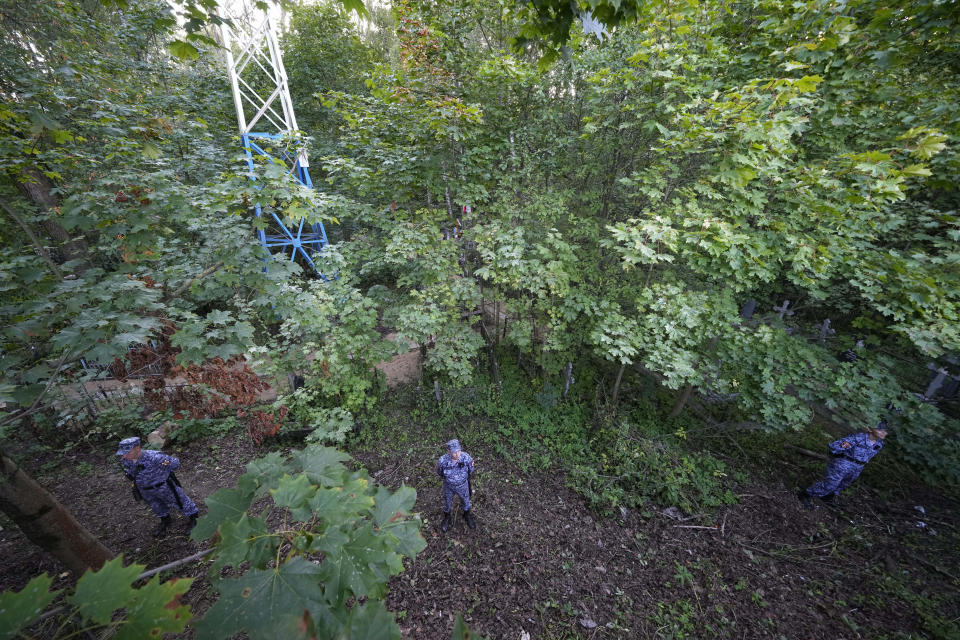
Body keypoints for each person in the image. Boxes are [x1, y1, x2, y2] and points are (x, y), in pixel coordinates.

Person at [116, 436, 199, 538]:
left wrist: (164, 472)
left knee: (180, 501)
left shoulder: (155, 457)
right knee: (156, 506)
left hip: (164, 487)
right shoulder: (126, 460)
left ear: (137, 448)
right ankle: (165, 520)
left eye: (128, 452)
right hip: (145, 490)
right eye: (123, 453)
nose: (124, 455)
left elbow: (175, 464)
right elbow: (131, 471)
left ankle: (194, 519)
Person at [799, 421, 889, 508]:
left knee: (844, 484)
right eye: (880, 430)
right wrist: (839, 458)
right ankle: (806, 495)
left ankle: (827, 497)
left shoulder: (879, 444)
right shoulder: (858, 438)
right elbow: (834, 446)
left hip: (858, 467)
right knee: (830, 484)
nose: (884, 433)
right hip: (844, 464)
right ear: (870, 429)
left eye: (885, 431)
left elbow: (869, 455)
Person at [436, 439, 475, 532]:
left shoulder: (466, 458)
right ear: (449, 451)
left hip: (463, 485)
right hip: (448, 486)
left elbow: (471, 470)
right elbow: (439, 472)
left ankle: (466, 515)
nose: (457, 454)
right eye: (454, 452)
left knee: (466, 501)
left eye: (459, 451)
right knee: (447, 503)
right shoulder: (442, 461)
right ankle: (447, 517)